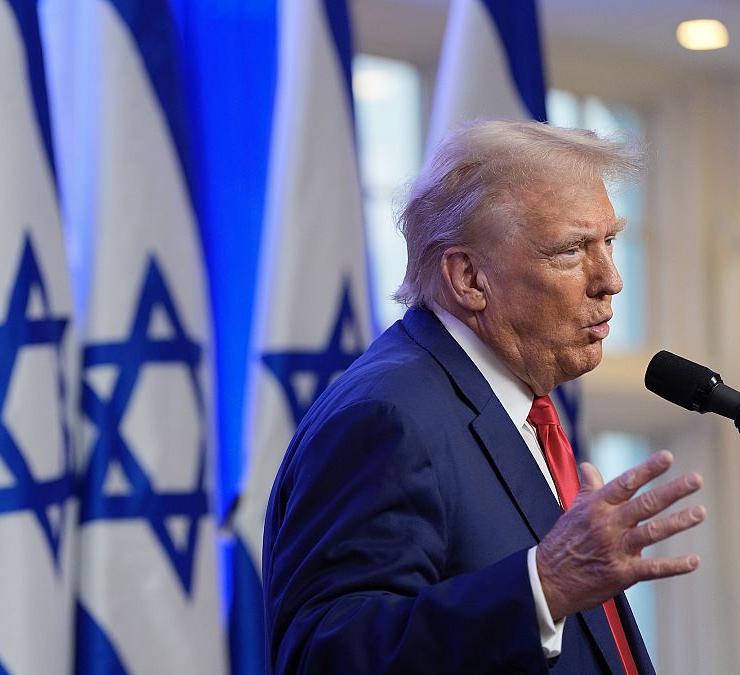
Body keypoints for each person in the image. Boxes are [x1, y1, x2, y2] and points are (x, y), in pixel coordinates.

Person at [262, 119, 706, 674]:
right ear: (468, 277)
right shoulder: (389, 416)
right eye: (571, 250)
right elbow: (326, 656)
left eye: (610, 241)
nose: (610, 279)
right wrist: (544, 586)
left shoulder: (513, 407)